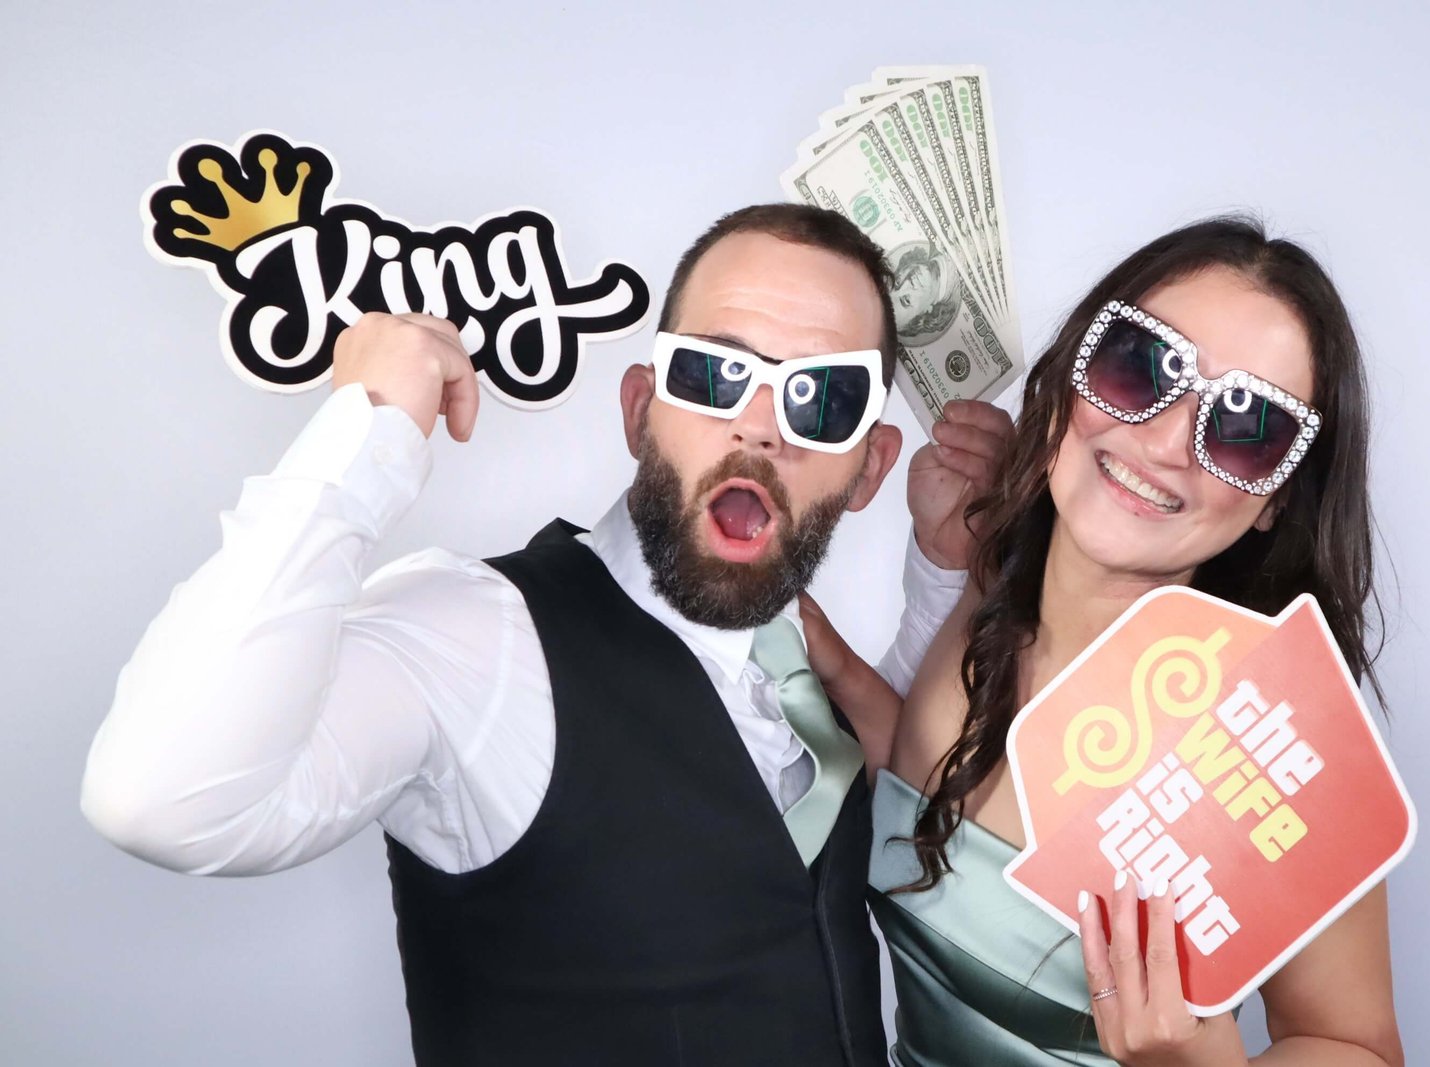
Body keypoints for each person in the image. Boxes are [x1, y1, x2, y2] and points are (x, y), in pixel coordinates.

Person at [80, 202, 1014, 1066]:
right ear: (641, 407)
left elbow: (883, 791)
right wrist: (366, 435)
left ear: (869, 467)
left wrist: (940, 572)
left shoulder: (801, 657)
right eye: (716, 373)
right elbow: (158, 799)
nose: (759, 427)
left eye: (821, 398)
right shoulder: (477, 639)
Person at [805, 217, 1405, 1066]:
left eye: (1247, 425)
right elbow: (926, 817)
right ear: (1070, 375)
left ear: (1275, 496)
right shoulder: (985, 590)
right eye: (1142, 365)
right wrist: (847, 656)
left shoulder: (1275, 742)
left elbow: (1359, 1047)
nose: (1165, 443)